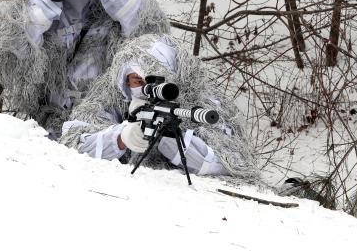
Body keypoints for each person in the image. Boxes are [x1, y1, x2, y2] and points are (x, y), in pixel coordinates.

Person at [0, 0, 170, 139]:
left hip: (104, 125)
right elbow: (15, 58)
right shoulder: (47, 23)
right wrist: (41, 3)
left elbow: (151, 40)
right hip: (51, 127)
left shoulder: (113, 23)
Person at [59, 33, 258, 179]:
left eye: (153, 82)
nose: (145, 90)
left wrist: (172, 141)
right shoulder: (109, 95)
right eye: (137, 81)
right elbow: (72, 142)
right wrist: (120, 138)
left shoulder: (205, 100)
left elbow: (234, 165)